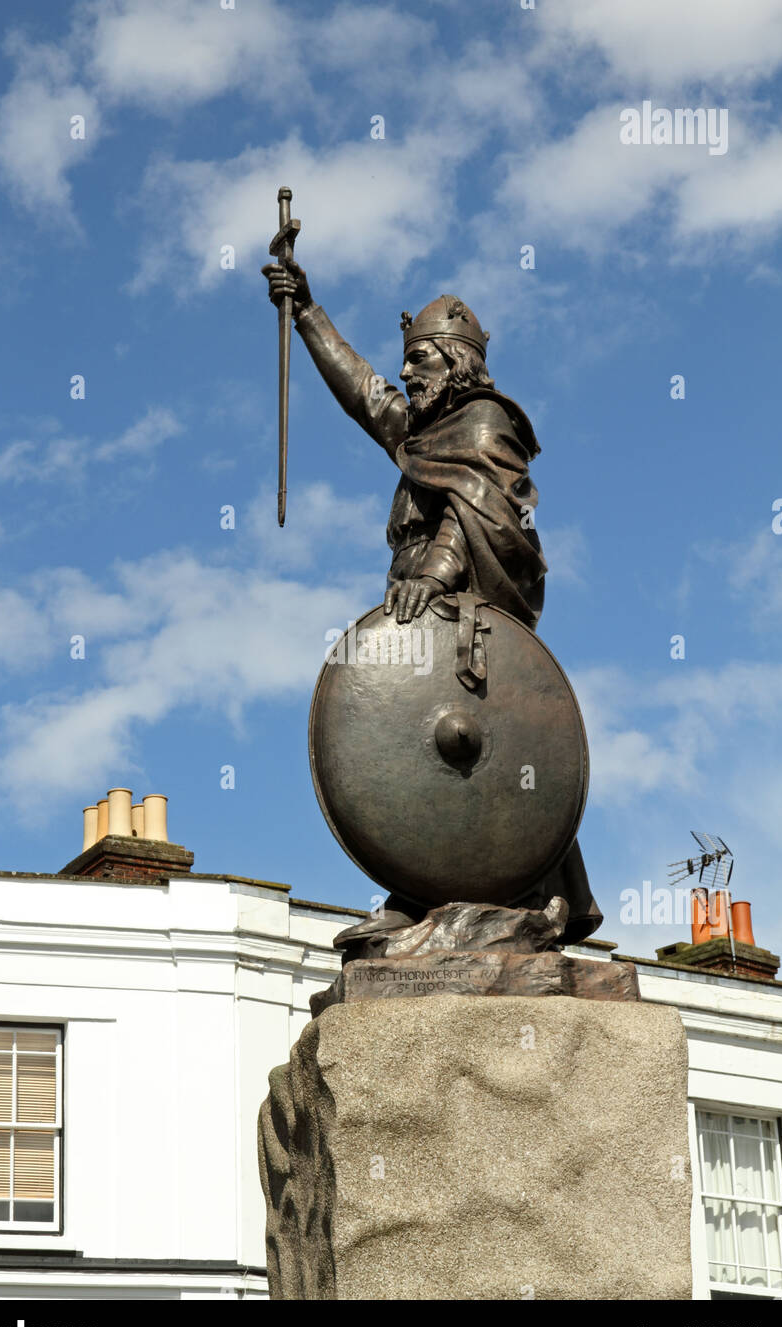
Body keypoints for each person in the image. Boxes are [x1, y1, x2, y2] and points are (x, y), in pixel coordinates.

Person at [262, 260, 602, 945]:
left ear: (455, 360)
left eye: (419, 360)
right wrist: (307, 312)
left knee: (487, 743)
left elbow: (483, 509)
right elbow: (365, 394)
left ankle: (523, 893)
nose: (409, 375)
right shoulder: (424, 429)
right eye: (407, 363)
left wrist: (440, 572)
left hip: (463, 605)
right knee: (431, 753)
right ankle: (422, 892)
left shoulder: (483, 423)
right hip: (420, 597)